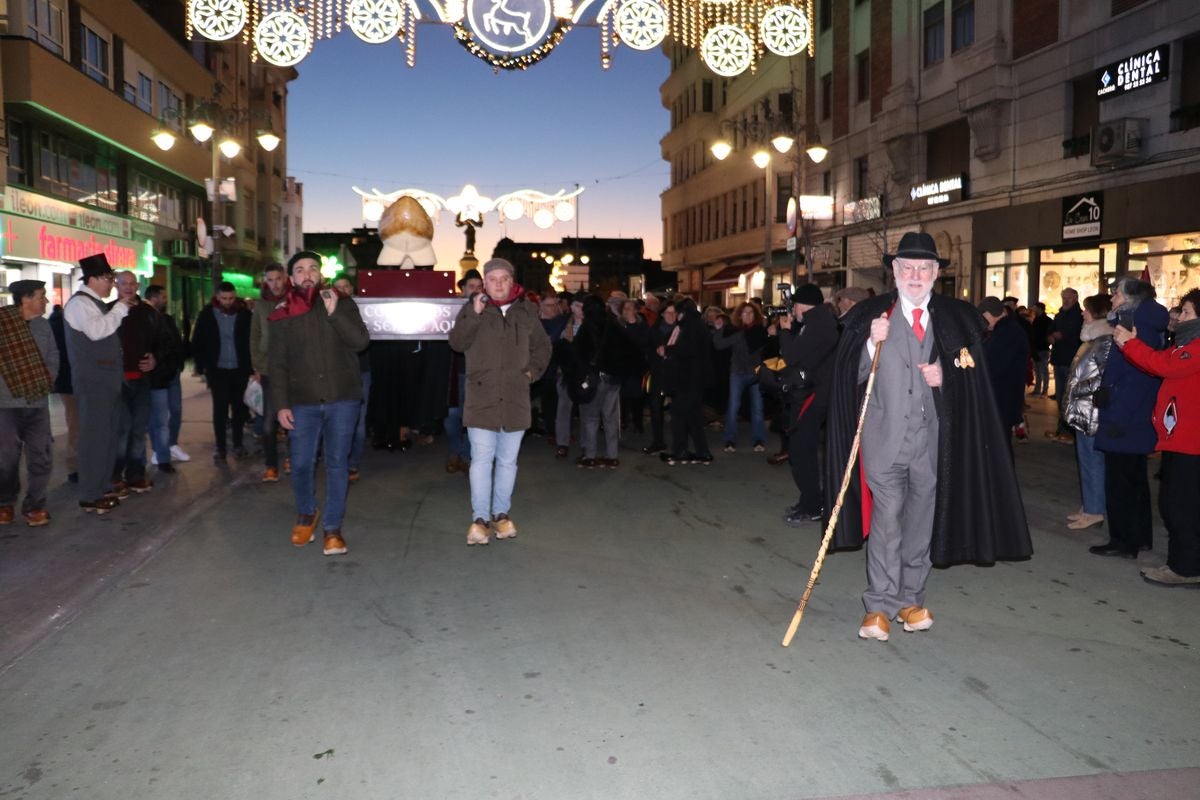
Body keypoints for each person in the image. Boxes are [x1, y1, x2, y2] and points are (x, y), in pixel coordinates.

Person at [825, 232, 1032, 642]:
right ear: (895, 272)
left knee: (921, 522)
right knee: (887, 519)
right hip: (883, 441)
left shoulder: (956, 318)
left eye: (924, 268)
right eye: (907, 268)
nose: (915, 275)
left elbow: (975, 381)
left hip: (935, 442)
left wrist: (947, 378)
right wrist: (869, 344)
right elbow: (847, 377)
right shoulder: (871, 316)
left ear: (936, 274)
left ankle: (910, 598)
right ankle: (879, 604)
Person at [270, 251, 370, 556]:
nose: (307, 274)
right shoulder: (282, 312)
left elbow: (360, 341)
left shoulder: (342, 301)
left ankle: (332, 528)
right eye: (300, 270)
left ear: (321, 273)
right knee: (300, 464)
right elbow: (277, 364)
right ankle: (306, 512)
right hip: (302, 401)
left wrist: (334, 311)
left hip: (343, 398)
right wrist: (281, 404)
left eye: (313, 268)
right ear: (292, 278)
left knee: (337, 464)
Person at [448, 258, 551, 545]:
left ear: (512, 280)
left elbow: (543, 346)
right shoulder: (473, 308)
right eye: (492, 279)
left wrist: (532, 372)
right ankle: (480, 518)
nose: (498, 284)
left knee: (508, 461)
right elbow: (456, 343)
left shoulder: (527, 311)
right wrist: (474, 314)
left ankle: (501, 514)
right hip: (482, 397)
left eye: (503, 278)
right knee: (481, 459)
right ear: (484, 282)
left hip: (516, 398)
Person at [1114, 288, 1200, 586]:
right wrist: (1132, 346)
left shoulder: (1196, 347)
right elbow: (1159, 364)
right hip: (1182, 439)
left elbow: (1164, 366)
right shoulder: (1187, 343)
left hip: (1191, 442)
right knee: (1181, 504)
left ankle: (1185, 568)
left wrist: (1130, 344)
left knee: (1179, 506)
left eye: (1187, 312)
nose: (1179, 317)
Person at [1090, 277, 1168, 559]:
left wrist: (1116, 417)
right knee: (1135, 481)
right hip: (1130, 416)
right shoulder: (1141, 325)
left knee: (1121, 483)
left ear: (1129, 299)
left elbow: (1137, 379)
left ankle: (1123, 541)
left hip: (1124, 419)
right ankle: (1140, 536)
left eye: (1116, 294)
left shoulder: (1136, 329)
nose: (1111, 299)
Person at [64, 253, 135, 514]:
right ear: (92, 279)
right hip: (93, 382)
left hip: (106, 381)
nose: (111, 283)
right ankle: (90, 494)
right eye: (108, 278)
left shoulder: (94, 302)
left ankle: (103, 485)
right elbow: (97, 332)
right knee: (95, 438)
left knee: (107, 436)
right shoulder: (79, 304)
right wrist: (120, 308)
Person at [774, 284, 838, 525]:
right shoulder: (820, 321)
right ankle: (810, 501)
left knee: (801, 451)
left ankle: (812, 505)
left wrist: (785, 331)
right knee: (804, 450)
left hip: (815, 395)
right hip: (817, 393)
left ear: (801, 305)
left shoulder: (817, 324)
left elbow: (791, 356)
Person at [0, 280, 59, 527]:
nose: (45, 300)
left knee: (41, 456)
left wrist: (44, 381)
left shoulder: (43, 325)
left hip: (37, 402)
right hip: (6, 404)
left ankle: (35, 506)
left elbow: (53, 358)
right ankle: (5, 502)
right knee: (6, 458)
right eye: (40, 296)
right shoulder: (3, 325)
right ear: (25, 299)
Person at [1063, 294, 1114, 531]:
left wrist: (1074, 386)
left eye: (1086, 310)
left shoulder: (1104, 341)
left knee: (1093, 461)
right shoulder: (1093, 338)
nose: (1083, 313)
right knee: (1085, 460)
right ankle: (1090, 505)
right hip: (1084, 411)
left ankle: (1095, 511)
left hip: (1091, 412)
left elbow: (1100, 379)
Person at [192, 281, 253, 461]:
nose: (228, 302)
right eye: (224, 298)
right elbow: (198, 340)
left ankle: (237, 443)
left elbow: (251, 341)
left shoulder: (243, 314)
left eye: (231, 298)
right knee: (220, 409)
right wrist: (201, 365)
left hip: (239, 369)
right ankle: (220, 448)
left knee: (239, 409)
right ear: (217, 297)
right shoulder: (207, 315)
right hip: (217, 370)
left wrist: (251, 367)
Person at [111, 271, 159, 492]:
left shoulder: (148, 313)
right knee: (122, 430)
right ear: (116, 286)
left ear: (138, 285)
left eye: (132, 284)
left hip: (142, 380)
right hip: (117, 382)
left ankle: (136, 474)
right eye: (124, 284)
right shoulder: (108, 311)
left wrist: (155, 358)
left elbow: (162, 341)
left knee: (139, 429)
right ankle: (114, 475)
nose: (128, 288)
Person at [661, 298, 714, 465]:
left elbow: (686, 350)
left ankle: (681, 451)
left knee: (679, 415)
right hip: (696, 380)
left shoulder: (689, 327)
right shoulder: (699, 325)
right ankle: (702, 452)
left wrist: (668, 350)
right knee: (694, 417)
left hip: (687, 379)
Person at [713, 302, 768, 453]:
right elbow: (720, 345)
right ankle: (730, 439)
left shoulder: (760, 331)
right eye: (745, 313)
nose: (748, 315)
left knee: (757, 408)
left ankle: (758, 439)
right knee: (733, 407)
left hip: (756, 373)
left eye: (751, 313)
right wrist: (718, 330)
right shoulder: (736, 332)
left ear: (755, 316)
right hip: (737, 373)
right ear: (739, 315)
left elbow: (768, 349)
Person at [144, 284, 188, 474]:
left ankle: (171, 445)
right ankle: (160, 452)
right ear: (154, 297)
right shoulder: (145, 318)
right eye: (163, 296)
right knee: (159, 418)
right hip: (157, 376)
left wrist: (179, 364)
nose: (166, 299)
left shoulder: (168, 319)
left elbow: (175, 344)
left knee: (176, 410)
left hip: (172, 373)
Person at [978, 296, 1030, 456]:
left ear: (990, 313)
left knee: (1000, 448)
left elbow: (991, 365)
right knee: (998, 446)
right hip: (1001, 399)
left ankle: (1002, 481)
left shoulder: (1008, 333)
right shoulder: (1003, 330)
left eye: (983, 316)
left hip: (1002, 400)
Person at [251, 263, 288, 482]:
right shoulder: (262, 305)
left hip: (293, 369)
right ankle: (271, 465)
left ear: (285, 279)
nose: (274, 284)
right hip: (268, 370)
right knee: (268, 422)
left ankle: (292, 459)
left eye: (278, 279)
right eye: (270, 279)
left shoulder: (295, 301)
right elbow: (254, 336)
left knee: (294, 419)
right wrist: (257, 365)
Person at [333, 276, 371, 483]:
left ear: (353, 288)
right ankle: (338, 461)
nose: (342, 290)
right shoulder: (327, 310)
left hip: (361, 372)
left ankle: (353, 463)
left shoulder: (362, 309)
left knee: (359, 423)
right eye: (337, 287)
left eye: (345, 286)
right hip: (337, 373)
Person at [445, 269, 481, 473]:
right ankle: (455, 451)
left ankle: (465, 456)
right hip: (453, 371)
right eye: (471, 286)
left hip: (475, 372)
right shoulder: (451, 309)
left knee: (472, 417)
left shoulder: (487, 310)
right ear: (463, 289)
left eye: (478, 286)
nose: (475, 290)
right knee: (451, 416)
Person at [47, 303, 78, 482]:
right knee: (76, 425)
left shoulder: (55, 324)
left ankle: (77, 466)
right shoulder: (60, 326)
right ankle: (75, 468)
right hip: (70, 382)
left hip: (69, 381)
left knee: (75, 424)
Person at [553, 294, 586, 459]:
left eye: (581, 306)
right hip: (565, 373)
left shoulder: (590, 326)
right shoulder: (564, 324)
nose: (579, 310)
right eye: (577, 306)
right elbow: (556, 344)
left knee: (585, 409)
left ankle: (587, 445)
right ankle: (562, 443)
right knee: (564, 408)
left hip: (584, 374)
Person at [642, 300, 677, 455]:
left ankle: (679, 442)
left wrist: (669, 352)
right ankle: (658, 441)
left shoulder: (680, 331)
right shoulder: (654, 330)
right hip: (658, 374)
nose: (672, 315)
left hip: (675, 375)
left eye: (674, 312)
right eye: (668, 312)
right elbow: (646, 349)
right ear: (662, 314)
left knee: (678, 410)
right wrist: (655, 353)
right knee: (656, 408)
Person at [1049, 288, 1083, 440]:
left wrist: (1062, 335)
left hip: (1070, 360)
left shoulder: (1079, 315)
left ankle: (1068, 430)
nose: (1065, 300)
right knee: (1061, 396)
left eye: (1068, 297)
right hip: (1059, 359)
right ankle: (1062, 428)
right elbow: (1052, 331)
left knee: (1068, 396)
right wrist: (1051, 336)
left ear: (1075, 298)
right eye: (1063, 297)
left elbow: (1077, 335)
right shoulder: (1060, 314)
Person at [1029, 302, 1053, 397]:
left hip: (1042, 348)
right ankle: (1038, 389)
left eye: (1034, 307)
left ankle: (1044, 390)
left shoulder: (1045, 320)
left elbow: (1047, 334)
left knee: (1043, 369)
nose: (1033, 309)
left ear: (1040, 309)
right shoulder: (1036, 319)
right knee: (1038, 370)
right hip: (1037, 348)